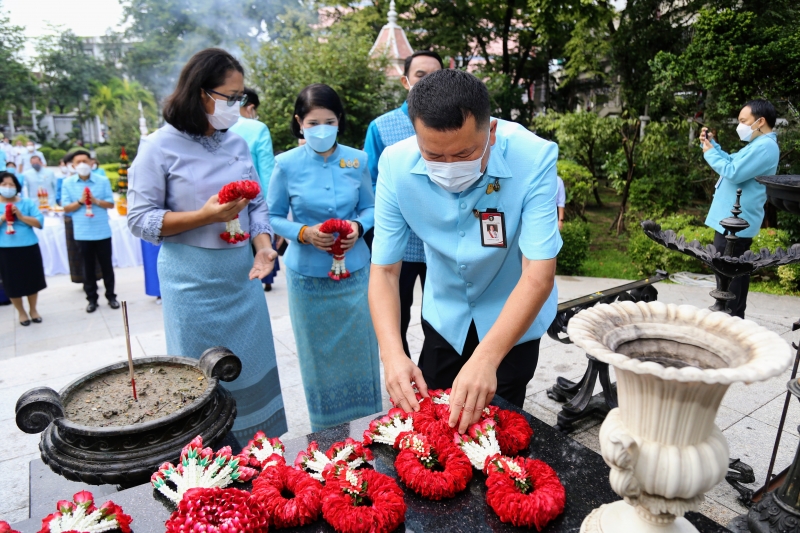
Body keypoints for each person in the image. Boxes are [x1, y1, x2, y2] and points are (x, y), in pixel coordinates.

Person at [369, 69, 561, 434]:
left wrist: (487, 358)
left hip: (511, 316)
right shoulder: (395, 165)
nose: (450, 167)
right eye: (434, 156)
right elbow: (385, 271)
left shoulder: (533, 158)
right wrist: (392, 354)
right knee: (431, 425)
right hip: (446, 313)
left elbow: (538, 273)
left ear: (490, 132)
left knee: (497, 430)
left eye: (465, 153)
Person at [128, 48, 287, 441]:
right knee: (203, 374)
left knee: (250, 363)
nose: (237, 106)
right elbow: (140, 219)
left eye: (240, 98)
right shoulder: (158, 146)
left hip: (241, 277)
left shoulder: (235, 143)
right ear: (201, 93)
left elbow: (257, 202)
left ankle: (258, 451)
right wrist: (205, 216)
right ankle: (212, 459)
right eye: (230, 97)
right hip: (191, 280)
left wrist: (263, 245)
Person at [268, 83, 381, 431]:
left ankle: (368, 425)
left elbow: (372, 206)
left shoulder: (356, 159)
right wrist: (303, 233)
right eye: (313, 122)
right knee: (318, 359)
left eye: (329, 121)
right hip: (307, 279)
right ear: (299, 122)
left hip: (356, 273)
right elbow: (271, 217)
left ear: (339, 121)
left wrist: (358, 227)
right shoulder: (285, 164)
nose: (322, 129)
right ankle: (327, 432)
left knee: (361, 352)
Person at [363, 50, 444, 357]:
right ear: (405, 80)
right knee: (397, 313)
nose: (427, 82)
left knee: (441, 316)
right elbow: (371, 183)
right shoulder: (382, 126)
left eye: (435, 75)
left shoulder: (457, 122)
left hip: (443, 240)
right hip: (403, 243)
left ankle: (439, 376)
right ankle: (404, 374)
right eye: (420, 75)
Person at [700, 98, 780, 319]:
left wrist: (708, 152)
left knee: (730, 279)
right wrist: (712, 145)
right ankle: (733, 321)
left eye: (744, 121)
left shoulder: (765, 147)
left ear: (760, 121)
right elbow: (729, 160)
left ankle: (730, 323)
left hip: (735, 224)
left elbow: (732, 171)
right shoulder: (756, 145)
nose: (740, 126)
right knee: (733, 275)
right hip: (729, 221)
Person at [230, 86, 280, 291]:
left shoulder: (214, 128)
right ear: (250, 107)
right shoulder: (257, 129)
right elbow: (267, 174)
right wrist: (271, 213)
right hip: (253, 204)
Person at [61, 150, 118, 313]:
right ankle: (92, 299)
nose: (82, 165)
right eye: (78, 162)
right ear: (72, 165)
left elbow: (110, 204)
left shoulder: (102, 180)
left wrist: (95, 201)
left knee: (107, 266)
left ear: (92, 163)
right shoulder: (68, 183)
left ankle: (111, 296)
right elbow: (66, 207)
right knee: (88, 268)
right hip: (82, 232)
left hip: (102, 231)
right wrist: (80, 201)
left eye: (85, 161)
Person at [0, 171, 46, 326]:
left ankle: (33, 309)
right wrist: (3, 217)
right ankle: (21, 312)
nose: (8, 187)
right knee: (12, 283)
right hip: (5, 250)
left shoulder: (26, 203)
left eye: (11, 184)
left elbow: (39, 222)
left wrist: (20, 216)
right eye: (4, 184)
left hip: (28, 246)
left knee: (32, 280)